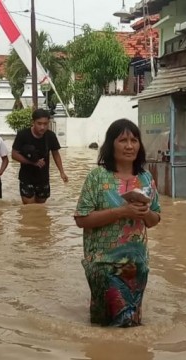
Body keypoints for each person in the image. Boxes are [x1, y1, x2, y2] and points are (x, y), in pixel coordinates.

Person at [74, 119, 161, 327]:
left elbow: (155, 219)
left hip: (136, 267)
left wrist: (145, 212)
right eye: (123, 140)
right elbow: (81, 219)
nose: (129, 146)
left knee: (132, 326)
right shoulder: (96, 177)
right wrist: (122, 211)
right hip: (104, 265)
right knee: (106, 328)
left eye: (134, 140)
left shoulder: (146, 178)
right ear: (111, 144)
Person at [11, 109, 68, 204]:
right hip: (26, 177)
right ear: (33, 122)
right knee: (29, 207)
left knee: (40, 207)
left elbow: (56, 154)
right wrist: (32, 162)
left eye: (45, 124)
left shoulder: (51, 136)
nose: (42, 127)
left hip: (43, 177)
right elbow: (14, 154)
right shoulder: (23, 135)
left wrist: (62, 172)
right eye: (39, 123)